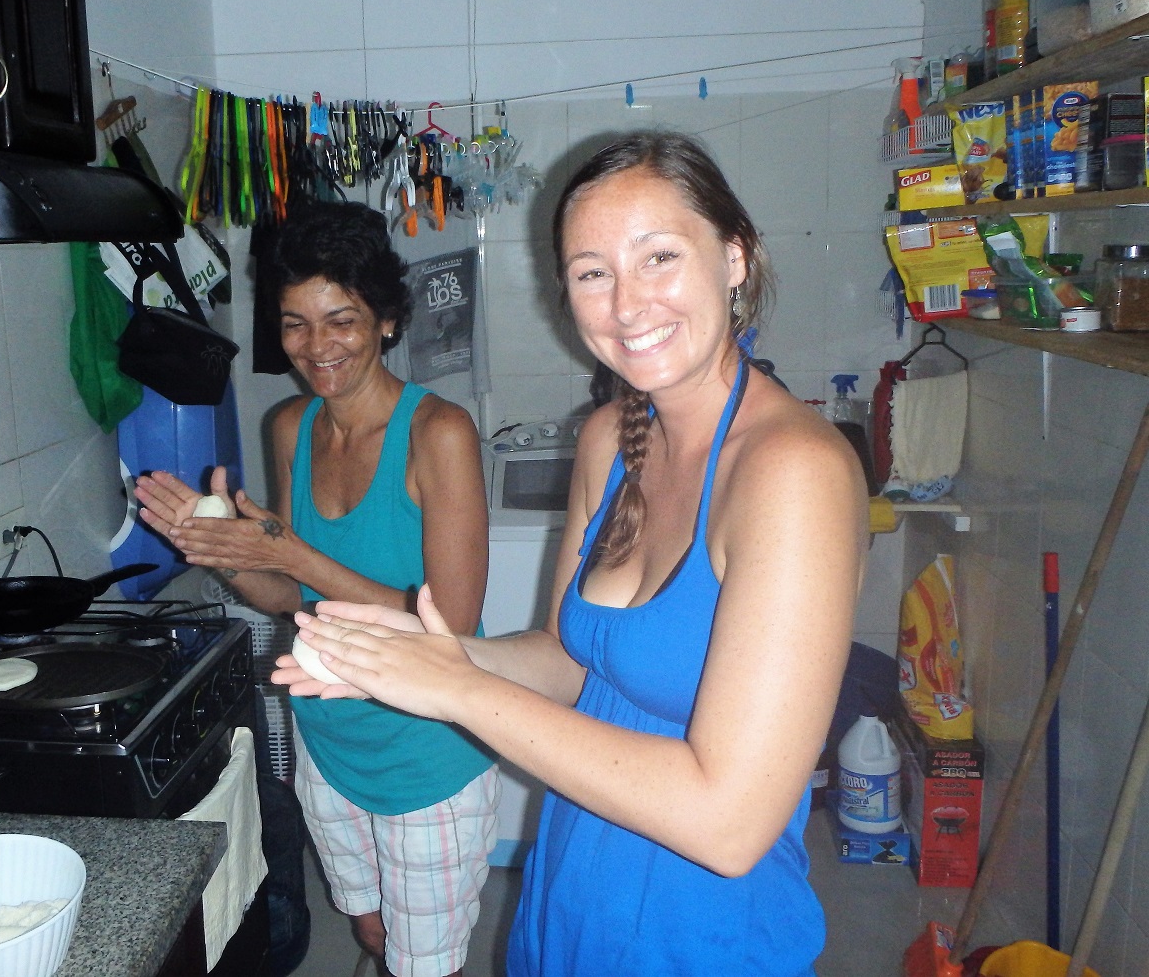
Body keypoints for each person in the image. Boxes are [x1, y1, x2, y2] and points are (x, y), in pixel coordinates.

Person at [274, 132, 868, 976]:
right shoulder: (609, 439)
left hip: (701, 938)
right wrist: (436, 653)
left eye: (658, 256)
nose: (627, 305)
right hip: (567, 900)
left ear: (735, 258)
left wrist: (459, 691)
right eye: (593, 273)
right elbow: (565, 656)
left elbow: (729, 824)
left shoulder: (794, 472)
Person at [134, 199, 498, 977]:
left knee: (423, 966)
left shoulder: (439, 433)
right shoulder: (292, 427)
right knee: (368, 931)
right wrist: (217, 551)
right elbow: (288, 598)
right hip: (327, 745)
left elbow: (450, 627)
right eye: (295, 323)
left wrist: (292, 553)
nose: (316, 346)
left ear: (388, 320)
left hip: (424, 753)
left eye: (341, 319)